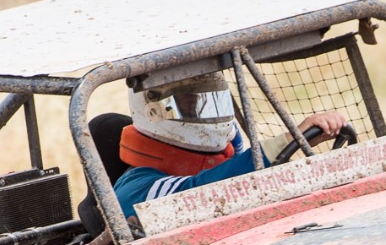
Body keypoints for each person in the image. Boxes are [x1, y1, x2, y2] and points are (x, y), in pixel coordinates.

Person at [107, 72, 347, 219]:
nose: (204, 115)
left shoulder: (227, 149)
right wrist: (285, 141)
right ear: (152, 110)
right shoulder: (136, 189)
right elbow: (203, 190)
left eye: (211, 103)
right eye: (189, 107)